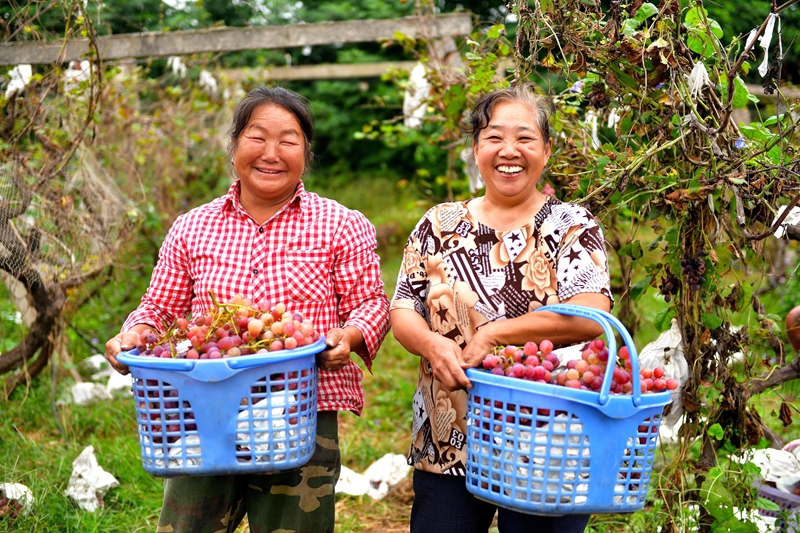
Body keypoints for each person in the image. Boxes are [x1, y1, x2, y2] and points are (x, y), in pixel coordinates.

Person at [104, 86, 390, 533]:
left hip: (300, 411)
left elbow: (369, 303)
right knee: (188, 526)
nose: (271, 153)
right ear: (235, 144)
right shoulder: (192, 227)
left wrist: (348, 337)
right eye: (257, 137)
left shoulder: (341, 224)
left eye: (288, 140)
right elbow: (158, 307)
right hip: (201, 411)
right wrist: (134, 333)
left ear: (306, 152)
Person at [390, 84, 614, 533]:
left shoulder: (571, 225)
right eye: (494, 137)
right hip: (448, 437)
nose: (509, 150)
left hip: (548, 443)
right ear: (476, 149)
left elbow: (593, 310)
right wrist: (433, 345)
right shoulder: (439, 224)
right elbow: (403, 310)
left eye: (525, 138)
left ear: (546, 151)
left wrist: (494, 334)